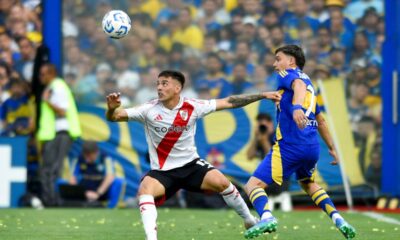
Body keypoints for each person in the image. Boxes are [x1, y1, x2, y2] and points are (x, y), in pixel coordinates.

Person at [105, 70, 281, 240]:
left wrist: (263, 95)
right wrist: (111, 109)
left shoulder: (193, 106)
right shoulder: (148, 109)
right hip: (163, 172)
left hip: (191, 166)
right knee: (145, 190)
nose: (159, 87)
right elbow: (114, 117)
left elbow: (229, 101)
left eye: (164, 83)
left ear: (177, 88)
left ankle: (249, 220)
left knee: (223, 183)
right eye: (157, 84)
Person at [243, 45, 356, 239]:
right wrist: (332, 148)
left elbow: (298, 86)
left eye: (278, 59)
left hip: (290, 146)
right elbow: (320, 120)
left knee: (252, 186)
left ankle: (267, 217)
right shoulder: (311, 88)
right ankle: (339, 219)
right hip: (311, 148)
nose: (274, 64)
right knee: (308, 184)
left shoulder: (290, 75)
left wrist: (295, 107)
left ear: (291, 61)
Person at [37, 63, 81, 206]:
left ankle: (51, 201)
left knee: (51, 169)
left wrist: (47, 101)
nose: (40, 77)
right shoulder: (53, 86)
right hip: (56, 133)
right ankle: (51, 200)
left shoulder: (58, 87)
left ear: (51, 73)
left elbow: (62, 111)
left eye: (43, 74)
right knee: (51, 168)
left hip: (61, 133)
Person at [246, 113, 292, 212]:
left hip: (278, 180)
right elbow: (249, 156)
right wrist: (256, 138)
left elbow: (273, 159)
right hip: (265, 179)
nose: (263, 127)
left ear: (271, 124)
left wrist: (265, 141)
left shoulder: (278, 136)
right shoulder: (259, 138)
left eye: (265, 124)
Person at [68, 140, 124, 208]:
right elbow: (72, 178)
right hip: (85, 192)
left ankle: (111, 208)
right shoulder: (79, 158)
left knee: (118, 182)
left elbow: (110, 177)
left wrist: (98, 193)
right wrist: (83, 193)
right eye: (85, 156)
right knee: (61, 182)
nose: (87, 159)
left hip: (101, 192)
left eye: (90, 156)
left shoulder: (105, 158)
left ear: (96, 153)